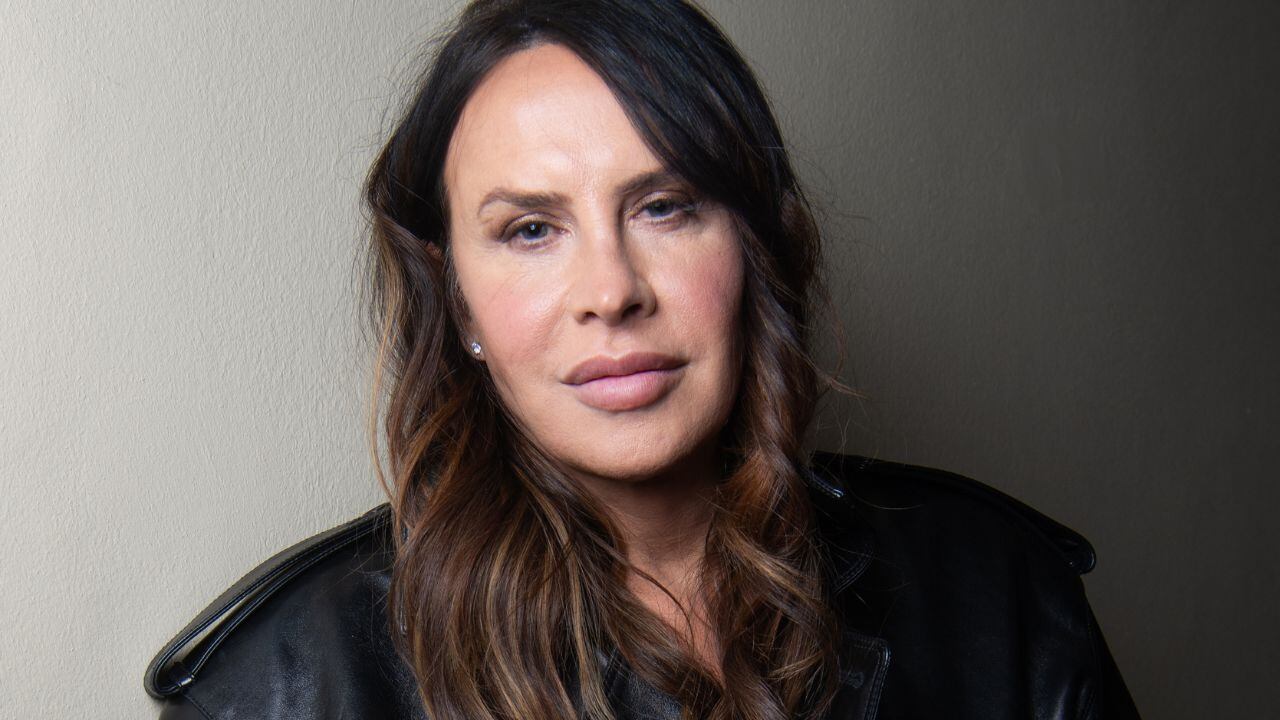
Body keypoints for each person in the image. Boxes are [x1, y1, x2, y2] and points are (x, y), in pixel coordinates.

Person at [144, 1, 1141, 718]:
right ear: (457, 301)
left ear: (753, 249)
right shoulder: (289, 684)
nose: (611, 289)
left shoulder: (998, 595)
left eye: (664, 207)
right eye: (530, 230)